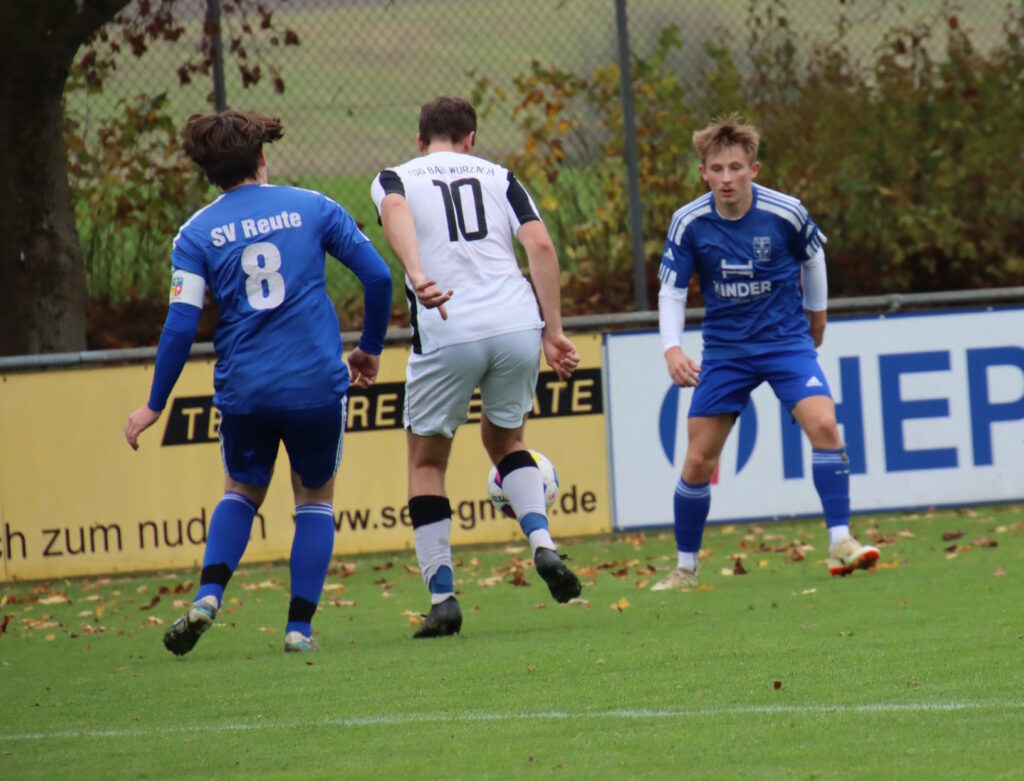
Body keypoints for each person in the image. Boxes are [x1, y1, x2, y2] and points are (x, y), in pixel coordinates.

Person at [124, 110, 392, 653]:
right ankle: (299, 630)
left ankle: (208, 596)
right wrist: (369, 349)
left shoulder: (195, 234)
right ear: (262, 157)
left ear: (209, 172)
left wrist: (155, 403)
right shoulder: (314, 206)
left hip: (245, 389)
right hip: (315, 383)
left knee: (242, 491)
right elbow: (379, 276)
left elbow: (180, 324)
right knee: (314, 499)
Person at [370, 96, 582, 637]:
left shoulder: (397, 176)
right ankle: (542, 543)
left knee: (426, 463)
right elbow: (540, 245)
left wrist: (417, 273)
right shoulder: (500, 176)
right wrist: (554, 332)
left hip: (448, 321)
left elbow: (394, 210)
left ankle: (443, 598)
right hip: (516, 322)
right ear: (470, 140)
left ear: (421, 141)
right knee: (507, 442)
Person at [652, 113, 879, 591]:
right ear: (703, 173)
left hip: (785, 342)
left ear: (753, 169)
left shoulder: (786, 212)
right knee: (698, 460)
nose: (726, 178)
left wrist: (817, 316)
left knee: (825, 425)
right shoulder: (689, 222)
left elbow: (813, 257)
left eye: (736, 168)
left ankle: (841, 542)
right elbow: (672, 290)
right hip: (726, 351)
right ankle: (685, 569)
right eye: (717, 169)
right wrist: (672, 349)